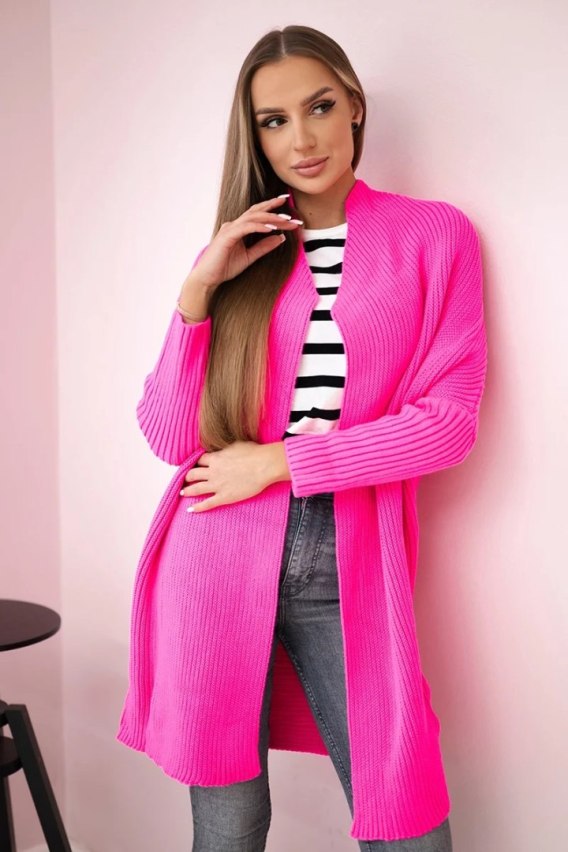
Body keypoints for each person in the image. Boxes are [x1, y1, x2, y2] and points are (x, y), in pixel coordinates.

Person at [117, 24, 487, 852]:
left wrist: (281, 461)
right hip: (212, 558)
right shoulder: (238, 255)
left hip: (344, 555)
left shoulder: (434, 236)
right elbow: (170, 436)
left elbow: (448, 425)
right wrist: (197, 292)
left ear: (354, 106)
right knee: (231, 827)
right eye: (274, 121)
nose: (302, 139)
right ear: (253, 137)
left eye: (319, 107)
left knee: (406, 825)